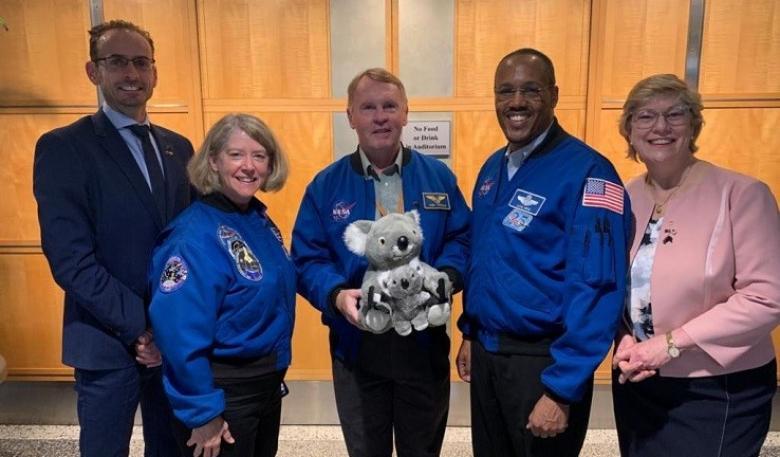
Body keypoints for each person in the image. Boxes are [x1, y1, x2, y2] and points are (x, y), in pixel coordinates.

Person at [455, 48, 631, 457]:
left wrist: (562, 388)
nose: (515, 102)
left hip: (544, 364)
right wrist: (470, 333)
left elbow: (598, 286)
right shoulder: (491, 170)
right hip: (488, 356)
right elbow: (485, 259)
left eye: (530, 90)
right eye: (505, 92)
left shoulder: (590, 173)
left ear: (553, 95)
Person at [32, 19, 192, 457]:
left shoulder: (180, 148)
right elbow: (70, 260)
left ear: (155, 72)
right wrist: (143, 324)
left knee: (174, 449)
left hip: (173, 345)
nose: (131, 74)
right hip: (104, 340)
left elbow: (192, 243)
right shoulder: (64, 147)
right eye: (117, 62)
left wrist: (169, 326)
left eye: (141, 63)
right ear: (93, 71)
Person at [291, 68, 470, 457]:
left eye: (389, 106)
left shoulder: (438, 176)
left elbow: (462, 237)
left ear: (406, 112)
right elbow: (308, 257)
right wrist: (336, 295)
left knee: (421, 448)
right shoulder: (326, 186)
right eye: (368, 107)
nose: (380, 116)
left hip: (424, 344)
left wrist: (448, 276)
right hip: (356, 346)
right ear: (350, 116)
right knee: (366, 449)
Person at [611, 74, 780, 457]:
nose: (660, 127)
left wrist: (669, 345)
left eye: (675, 114)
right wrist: (622, 335)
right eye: (645, 116)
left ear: (693, 125)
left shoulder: (743, 194)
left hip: (717, 387)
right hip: (638, 377)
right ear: (629, 130)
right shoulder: (624, 196)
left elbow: (767, 298)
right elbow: (610, 284)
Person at [148, 113, 295, 457]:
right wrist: (203, 412)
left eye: (259, 156)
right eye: (236, 154)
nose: (249, 166)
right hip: (221, 394)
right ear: (213, 160)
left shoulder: (254, 219)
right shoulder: (192, 236)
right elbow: (178, 333)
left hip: (263, 387)